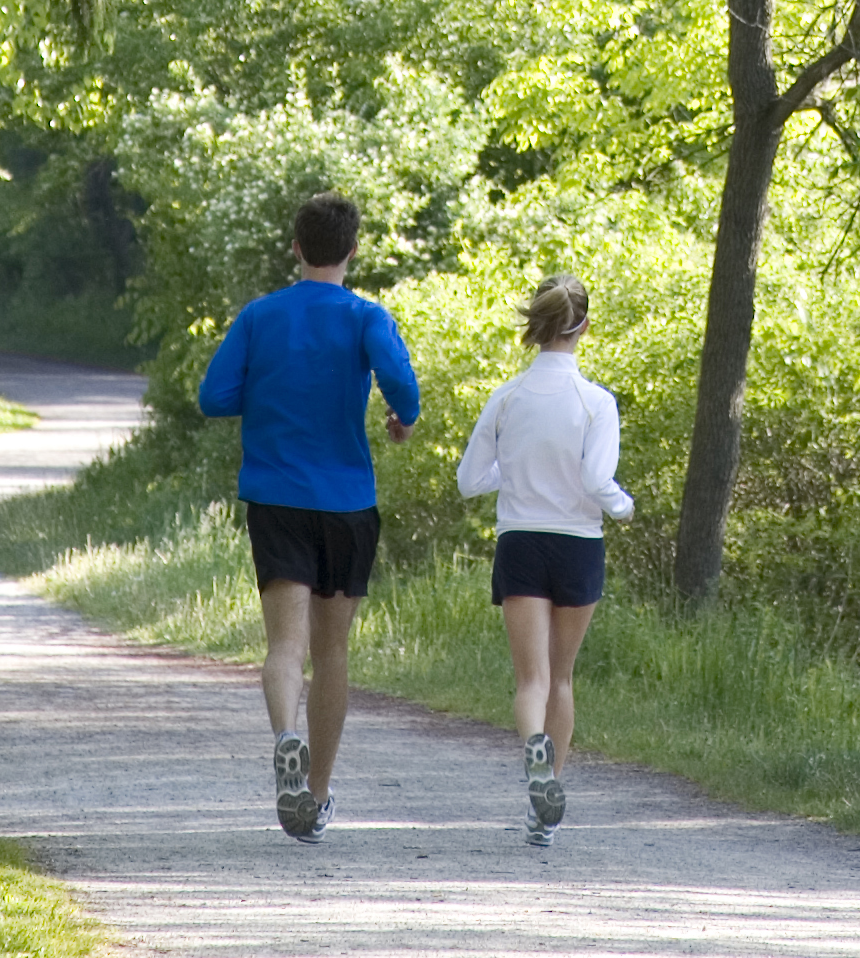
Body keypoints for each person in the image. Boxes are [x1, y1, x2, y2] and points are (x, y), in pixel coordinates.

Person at [199, 191, 420, 842]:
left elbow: (215, 397)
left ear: (296, 247)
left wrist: (264, 394)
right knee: (332, 650)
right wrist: (400, 420)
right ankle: (317, 795)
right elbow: (402, 387)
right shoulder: (366, 316)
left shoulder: (260, 316)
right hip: (347, 501)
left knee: (284, 646)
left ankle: (285, 735)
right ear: (354, 250)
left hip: (276, 498)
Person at [455, 273, 632, 842]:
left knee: (530, 678)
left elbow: (468, 481)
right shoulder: (596, 402)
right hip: (578, 542)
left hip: (521, 541)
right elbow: (595, 478)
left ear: (538, 324)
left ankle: (535, 770)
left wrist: (518, 469)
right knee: (562, 679)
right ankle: (546, 803)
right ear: (583, 325)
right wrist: (623, 507)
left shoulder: (506, 398)